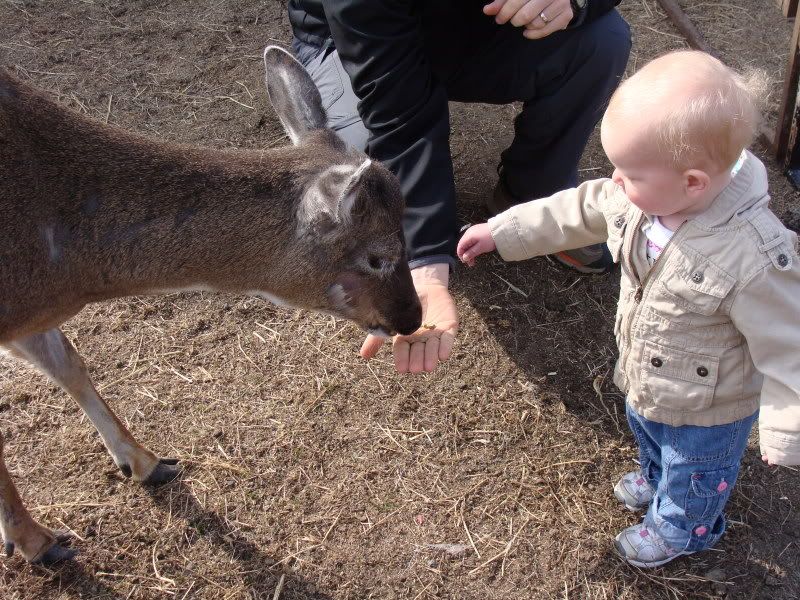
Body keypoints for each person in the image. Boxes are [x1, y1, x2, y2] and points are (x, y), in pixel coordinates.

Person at [457, 50, 800, 568]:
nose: (615, 180)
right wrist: (502, 231)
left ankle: (683, 526)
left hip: (710, 404)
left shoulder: (752, 255)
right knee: (647, 428)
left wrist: (787, 425)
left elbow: (788, 339)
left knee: (695, 468)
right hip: (647, 372)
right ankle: (657, 475)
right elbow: (577, 209)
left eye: (629, 173)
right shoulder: (642, 197)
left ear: (693, 183)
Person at [288, 0, 631, 373]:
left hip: (469, 25)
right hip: (354, 42)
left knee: (601, 39)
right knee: (360, 179)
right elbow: (399, 113)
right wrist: (426, 262)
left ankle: (535, 198)